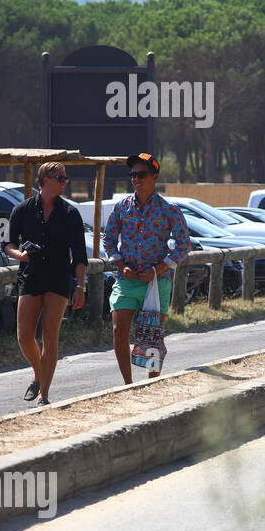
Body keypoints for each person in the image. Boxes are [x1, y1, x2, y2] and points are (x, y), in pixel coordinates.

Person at [4, 162, 88, 406]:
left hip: (59, 277)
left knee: (50, 336)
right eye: (60, 178)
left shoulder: (70, 213)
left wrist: (80, 287)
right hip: (30, 275)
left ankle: (44, 395)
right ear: (46, 180)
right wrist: (20, 255)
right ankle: (39, 375)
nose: (65, 182)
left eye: (65, 178)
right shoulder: (22, 210)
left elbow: (80, 256)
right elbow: (8, 244)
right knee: (24, 336)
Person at [102, 152, 190, 383]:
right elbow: (108, 240)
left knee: (153, 335)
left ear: (155, 176)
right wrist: (120, 265)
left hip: (155, 282)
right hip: (127, 280)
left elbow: (183, 245)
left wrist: (158, 269)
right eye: (133, 174)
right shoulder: (121, 207)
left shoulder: (169, 209)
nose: (136, 179)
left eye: (141, 174)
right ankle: (127, 385)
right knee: (119, 329)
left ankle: (152, 383)